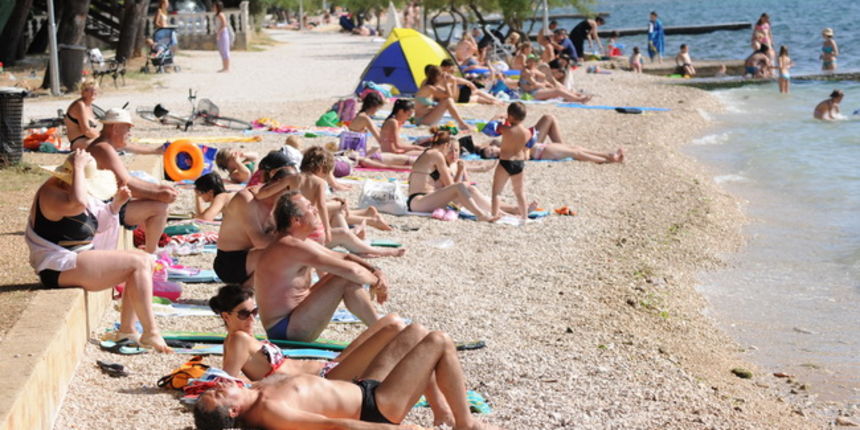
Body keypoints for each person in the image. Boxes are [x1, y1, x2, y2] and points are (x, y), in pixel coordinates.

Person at [194, 326, 501, 430]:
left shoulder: (256, 389)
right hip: (377, 408)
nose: (221, 385)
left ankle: (442, 413)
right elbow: (333, 426)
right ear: (234, 411)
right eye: (220, 395)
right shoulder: (269, 410)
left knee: (414, 334)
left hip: (362, 387)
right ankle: (464, 425)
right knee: (439, 341)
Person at [25, 150, 170, 352]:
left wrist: (116, 204)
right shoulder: (51, 193)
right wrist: (77, 167)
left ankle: (128, 331)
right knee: (137, 263)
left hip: (76, 258)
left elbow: (98, 222)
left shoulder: (76, 191)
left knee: (143, 259)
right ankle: (150, 332)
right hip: (58, 266)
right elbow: (78, 203)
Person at [254, 192, 391, 342]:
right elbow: (351, 270)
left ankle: (380, 330)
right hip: (285, 329)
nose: (316, 210)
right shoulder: (290, 246)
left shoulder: (297, 241)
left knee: (347, 279)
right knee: (345, 278)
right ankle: (383, 333)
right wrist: (378, 283)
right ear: (296, 220)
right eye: (309, 208)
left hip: (295, 318)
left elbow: (344, 257)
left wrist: (375, 271)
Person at [86, 108, 177, 204]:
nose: (130, 134)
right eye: (128, 129)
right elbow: (125, 183)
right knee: (158, 207)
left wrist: (159, 188)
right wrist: (158, 194)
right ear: (115, 129)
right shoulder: (104, 149)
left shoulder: (103, 145)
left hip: (100, 202)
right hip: (99, 208)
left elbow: (127, 178)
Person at [406, 130, 496, 221]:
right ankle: (481, 215)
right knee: (461, 187)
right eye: (449, 149)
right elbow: (451, 185)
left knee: (467, 189)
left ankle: (497, 212)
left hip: (419, 201)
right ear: (446, 146)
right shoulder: (437, 155)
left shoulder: (427, 153)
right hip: (420, 201)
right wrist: (460, 173)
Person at [489, 102, 531, 221]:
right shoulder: (527, 133)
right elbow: (528, 147)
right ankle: (525, 216)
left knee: (497, 192)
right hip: (519, 163)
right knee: (519, 192)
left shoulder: (505, 129)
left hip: (505, 162)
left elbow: (489, 128)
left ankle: (494, 215)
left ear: (510, 116)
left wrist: (498, 117)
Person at [413, 66, 473, 132]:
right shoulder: (428, 88)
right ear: (436, 77)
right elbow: (449, 96)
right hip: (422, 120)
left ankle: (461, 123)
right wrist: (446, 83)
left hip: (427, 116)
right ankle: (461, 124)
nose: (443, 76)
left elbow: (453, 97)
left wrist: (454, 82)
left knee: (448, 100)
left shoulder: (433, 87)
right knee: (447, 100)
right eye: (441, 75)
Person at [519, 56, 591, 103]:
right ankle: (579, 100)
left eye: (534, 61)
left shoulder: (533, 69)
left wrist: (545, 83)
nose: (533, 63)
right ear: (527, 61)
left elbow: (543, 77)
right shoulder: (526, 71)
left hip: (535, 90)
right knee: (557, 91)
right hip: (530, 94)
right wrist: (544, 84)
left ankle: (576, 96)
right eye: (531, 61)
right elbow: (534, 83)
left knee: (558, 88)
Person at [64, 80, 100, 151]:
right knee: (107, 145)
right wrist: (102, 137)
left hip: (88, 140)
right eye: (89, 90)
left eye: (95, 90)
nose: (93, 92)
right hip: (79, 142)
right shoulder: (80, 105)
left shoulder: (89, 106)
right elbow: (86, 131)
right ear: (83, 92)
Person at [214, 1, 230, 72]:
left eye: (214, 6)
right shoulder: (217, 15)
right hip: (220, 34)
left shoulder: (220, 14)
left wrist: (219, 33)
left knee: (225, 50)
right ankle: (224, 67)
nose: (213, 8)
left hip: (223, 34)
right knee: (222, 51)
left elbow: (224, 24)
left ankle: (226, 68)